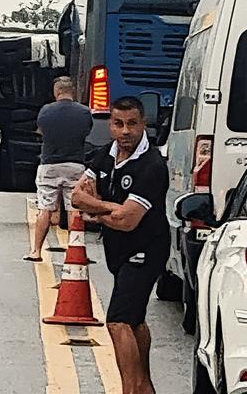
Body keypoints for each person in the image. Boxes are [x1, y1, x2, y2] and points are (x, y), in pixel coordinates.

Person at [71, 96, 169, 394]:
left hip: (146, 250)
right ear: (110, 125)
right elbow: (76, 197)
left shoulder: (152, 166)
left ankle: (129, 388)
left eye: (132, 124)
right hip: (118, 250)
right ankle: (145, 387)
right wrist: (108, 208)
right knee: (136, 321)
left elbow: (128, 220)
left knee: (118, 321)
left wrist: (96, 211)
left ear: (143, 125)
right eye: (118, 124)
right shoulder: (103, 156)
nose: (125, 131)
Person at [24, 76, 92, 262]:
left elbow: (41, 132)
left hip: (49, 166)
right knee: (73, 209)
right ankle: (75, 252)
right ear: (73, 91)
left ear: (56, 92)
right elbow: (86, 132)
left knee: (45, 208)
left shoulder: (46, 111)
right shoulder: (84, 112)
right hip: (75, 165)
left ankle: (36, 251)